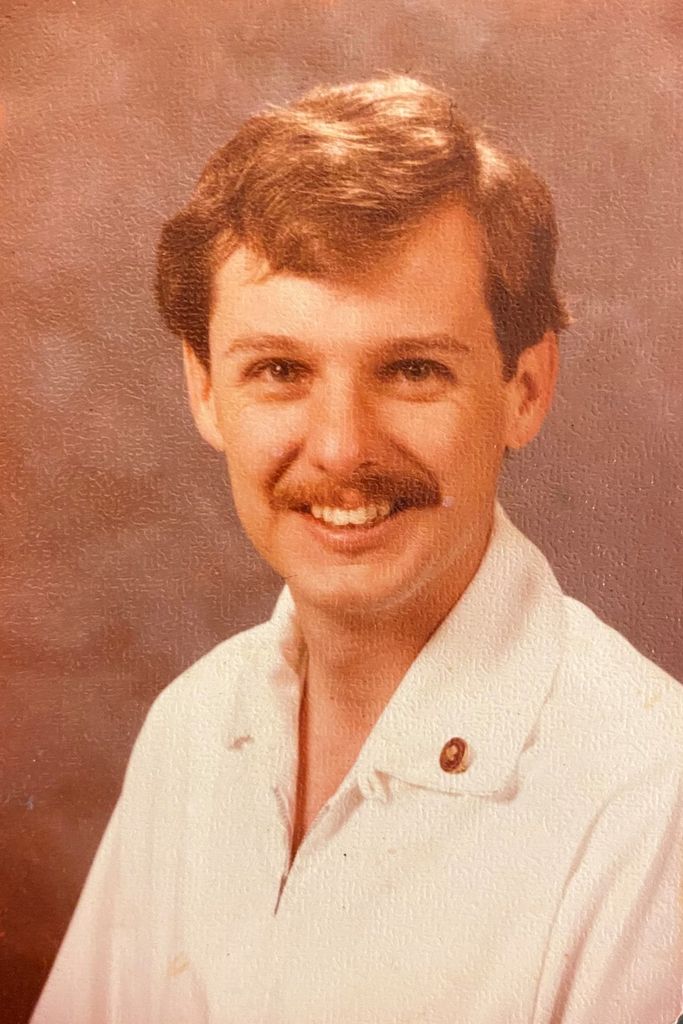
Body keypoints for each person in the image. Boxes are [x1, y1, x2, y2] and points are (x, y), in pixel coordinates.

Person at [31, 75, 682, 1024]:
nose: (340, 448)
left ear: (526, 389)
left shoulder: (650, 801)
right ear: (204, 389)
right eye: (279, 369)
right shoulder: (193, 729)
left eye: (412, 369)